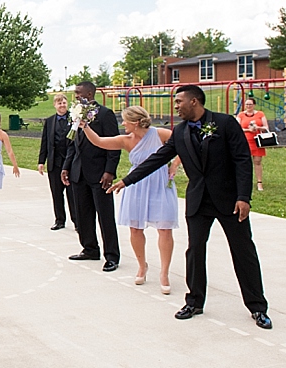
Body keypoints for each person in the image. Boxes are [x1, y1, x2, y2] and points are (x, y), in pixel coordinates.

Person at [108, 85, 272, 329]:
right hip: (198, 201)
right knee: (194, 251)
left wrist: (243, 197)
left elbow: (242, 160)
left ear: (194, 102)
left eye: (179, 102)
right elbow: (157, 159)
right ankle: (194, 301)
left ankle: (257, 307)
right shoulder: (180, 131)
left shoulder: (225, 123)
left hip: (230, 201)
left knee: (243, 251)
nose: (176, 106)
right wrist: (127, 180)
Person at [79, 106, 180, 294]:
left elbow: (183, 143)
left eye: (125, 120)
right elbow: (100, 142)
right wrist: (85, 126)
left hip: (159, 182)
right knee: (135, 228)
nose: (122, 123)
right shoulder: (126, 140)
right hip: (136, 184)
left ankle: (164, 273)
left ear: (135, 122)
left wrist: (174, 164)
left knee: (165, 229)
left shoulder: (160, 134)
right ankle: (142, 265)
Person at [61, 81, 122, 272]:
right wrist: (66, 167)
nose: (76, 96)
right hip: (79, 172)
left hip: (99, 172)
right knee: (83, 214)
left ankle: (111, 255)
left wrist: (110, 171)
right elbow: (73, 144)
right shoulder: (76, 113)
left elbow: (114, 145)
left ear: (89, 93)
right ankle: (89, 248)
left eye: (79, 92)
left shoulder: (105, 114)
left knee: (105, 216)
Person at [38, 94, 78, 231]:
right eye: (59, 103)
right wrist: (41, 161)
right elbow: (45, 142)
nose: (62, 105)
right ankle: (59, 220)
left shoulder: (74, 119)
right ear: (55, 105)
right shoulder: (49, 121)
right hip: (54, 163)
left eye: (64, 102)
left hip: (71, 162)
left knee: (72, 194)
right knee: (56, 193)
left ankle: (77, 221)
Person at [236, 97, 270, 191]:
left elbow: (266, 127)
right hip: (245, 140)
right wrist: (248, 130)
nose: (248, 106)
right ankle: (244, 182)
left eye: (250, 104)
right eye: (247, 104)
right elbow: (237, 128)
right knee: (244, 162)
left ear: (254, 105)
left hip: (257, 140)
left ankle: (259, 182)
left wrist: (257, 127)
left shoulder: (260, 114)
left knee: (257, 161)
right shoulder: (241, 115)